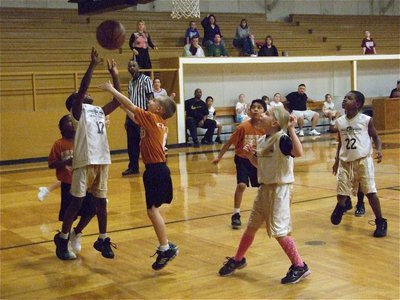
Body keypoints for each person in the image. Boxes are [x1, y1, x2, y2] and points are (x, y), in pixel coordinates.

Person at [218, 107, 310, 284]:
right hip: (265, 189)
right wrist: (249, 155)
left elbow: (298, 153)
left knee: (279, 231)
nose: (262, 115)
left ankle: (299, 265)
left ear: (275, 123)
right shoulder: (262, 139)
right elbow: (259, 165)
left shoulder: (282, 138)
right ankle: (238, 259)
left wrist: (291, 128)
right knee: (251, 226)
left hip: (280, 190)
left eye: (267, 114)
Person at [99, 81, 179, 271]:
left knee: (152, 211)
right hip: (158, 169)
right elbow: (133, 114)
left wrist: (112, 90)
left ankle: (165, 247)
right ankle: (165, 246)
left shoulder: (152, 118)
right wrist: (121, 105)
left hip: (155, 170)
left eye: (153, 101)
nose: (149, 101)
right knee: (154, 210)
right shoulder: (158, 121)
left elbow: (131, 105)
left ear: (158, 108)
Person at [53, 48, 121, 260]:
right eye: (82, 95)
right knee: (76, 203)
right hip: (85, 161)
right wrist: (92, 65)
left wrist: (115, 75)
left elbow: (117, 101)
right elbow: (82, 88)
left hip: (103, 160)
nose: (86, 94)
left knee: (101, 202)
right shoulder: (77, 112)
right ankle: (63, 239)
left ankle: (102, 238)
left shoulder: (98, 110)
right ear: (75, 101)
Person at [331, 90, 387, 237]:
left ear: (358, 104)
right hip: (345, 161)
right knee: (341, 191)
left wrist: (379, 150)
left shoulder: (366, 120)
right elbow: (341, 143)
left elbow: (376, 137)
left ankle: (380, 221)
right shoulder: (340, 121)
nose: (344, 100)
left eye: (348, 98)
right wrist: (336, 160)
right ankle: (341, 206)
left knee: (370, 192)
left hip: (363, 160)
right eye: (344, 97)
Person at [48, 114, 97, 258]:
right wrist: (65, 162)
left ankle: (76, 233)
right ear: (61, 129)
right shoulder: (59, 144)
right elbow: (51, 164)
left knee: (91, 211)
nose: (71, 125)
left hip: (85, 183)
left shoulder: (82, 140)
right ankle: (63, 239)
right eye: (68, 123)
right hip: (68, 185)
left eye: (72, 122)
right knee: (69, 215)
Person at [212, 99, 266, 229]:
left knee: (264, 188)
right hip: (242, 159)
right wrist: (219, 157)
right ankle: (236, 214)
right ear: (249, 110)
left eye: (259, 107)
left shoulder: (266, 128)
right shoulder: (243, 127)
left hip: (258, 161)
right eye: (253, 107)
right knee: (241, 185)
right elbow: (229, 142)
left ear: (264, 111)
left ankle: (264, 213)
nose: (256, 109)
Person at [122, 60, 154, 176]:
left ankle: (149, 165)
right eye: (129, 66)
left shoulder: (146, 80)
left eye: (134, 65)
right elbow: (129, 101)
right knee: (132, 143)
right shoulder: (130, 82)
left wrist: (150, 116)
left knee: (146, 143)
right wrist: (126, 119)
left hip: (143, 115)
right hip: (131, 116)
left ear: (139, 67)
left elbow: (150, 97)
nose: (131, 67)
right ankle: (133, 167)